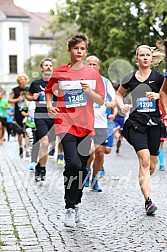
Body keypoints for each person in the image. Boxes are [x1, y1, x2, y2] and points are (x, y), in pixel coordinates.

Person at [45, 33, 105, 227]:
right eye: (75, 49)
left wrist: (89, 91)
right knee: (71, 164)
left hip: (86, 125)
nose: (79, 52)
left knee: (82, 167)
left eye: (82, 49)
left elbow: (101, 100)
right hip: (65, 123)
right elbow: (48, 91)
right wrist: (49, 105)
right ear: (69, 51)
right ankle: (69, 208)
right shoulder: (60, 72)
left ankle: (76, 202)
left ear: (85, 52)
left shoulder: (92, 73)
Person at [116, 45, 164, 215]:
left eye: (147, 55)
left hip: (154, 123)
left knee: (151, 164)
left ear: (151, 58)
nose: (144, 58)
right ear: (137, 58)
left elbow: (165, 94)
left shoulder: (158, 78)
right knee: (143, 160)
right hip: (136, 124)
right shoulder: (130, 78)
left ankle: (146, 179)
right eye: (141, 55)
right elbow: (118, 94)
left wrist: (158, 96)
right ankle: (148, 201)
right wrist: (122, 106)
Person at [84, 55, 116, 191]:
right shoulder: (81, 81)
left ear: (98, 67)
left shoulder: (105, 82)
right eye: (89, 64)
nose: (91, 67)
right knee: (89, 153)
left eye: (94, 65)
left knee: (100, 153)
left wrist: (111, 104)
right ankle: (86, 171)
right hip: (85, 123)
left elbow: (115, 100)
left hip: (101, 123)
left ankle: (95, 180)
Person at [26, 58, 56, 180]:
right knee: (44, 142)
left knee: (48, 144)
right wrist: (32, 97)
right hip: (40, 116)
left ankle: (39, 164)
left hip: (53, 117)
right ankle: (42, 168)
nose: (48, 67)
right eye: (46, 65)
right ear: (41, 68)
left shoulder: (56, 84)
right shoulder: (35, 83)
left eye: (50, 65)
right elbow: (28, 96)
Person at [8, 74, 30, 157]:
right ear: (18, 81)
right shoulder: (15, 90)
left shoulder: (29, 89)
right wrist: (17, 99)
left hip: (27, 112)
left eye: (24, 79)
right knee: (19, 132)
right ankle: (21, 147)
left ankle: (27, 149)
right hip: (18, 112)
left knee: (27, 131)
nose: (22, 81)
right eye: (21, 79)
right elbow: (9, 100)